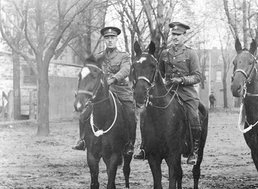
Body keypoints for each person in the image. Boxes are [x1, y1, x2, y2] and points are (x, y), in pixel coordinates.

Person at [144, 21, 201, 165]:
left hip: (185, 92)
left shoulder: (190, 53)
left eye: (178, 35)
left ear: (184, 36)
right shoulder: (165, 53)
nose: (175, 37)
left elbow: (197, 76)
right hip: (167, 91)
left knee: (193, 116)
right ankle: (145, 146)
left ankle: (193, 150)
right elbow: (159, 73)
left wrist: (181, 80)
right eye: (173, 34)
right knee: (147, 112)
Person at [72, 26, 136, 155]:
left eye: (112, 38)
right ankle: (82, 140)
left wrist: (113, 79)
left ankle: (129, 144)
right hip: (101, 93)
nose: (110, 40)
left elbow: (125, 70)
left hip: (120, 90)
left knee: (130, 114)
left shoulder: (124, 56)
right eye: (107, 38)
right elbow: (90, 72)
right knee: (84, 113)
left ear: (116, 39)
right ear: (104, 40)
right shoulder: (98, 57)